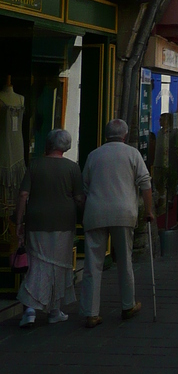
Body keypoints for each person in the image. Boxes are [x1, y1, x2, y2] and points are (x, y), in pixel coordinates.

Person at [80, 118, 154, 328]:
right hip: (123, 212)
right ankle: (127, 304)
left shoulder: (94, 155)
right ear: (125, 135)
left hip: (96, 213)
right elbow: (145, 183)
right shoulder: (132, 154)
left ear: (106, 136)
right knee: (124, 260)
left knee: (92, 264)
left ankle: (91, 313)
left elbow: (85, 187)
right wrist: (148, 211)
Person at [15, 129, 85, 329]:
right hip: (64, 221)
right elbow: (79, 198)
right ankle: (54, 310)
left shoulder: (35, 165)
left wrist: (19, 221)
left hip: (37, 220)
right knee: (59, 264)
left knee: (37, 262)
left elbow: (23, 195)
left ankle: (30, 309)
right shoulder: (73, 168)